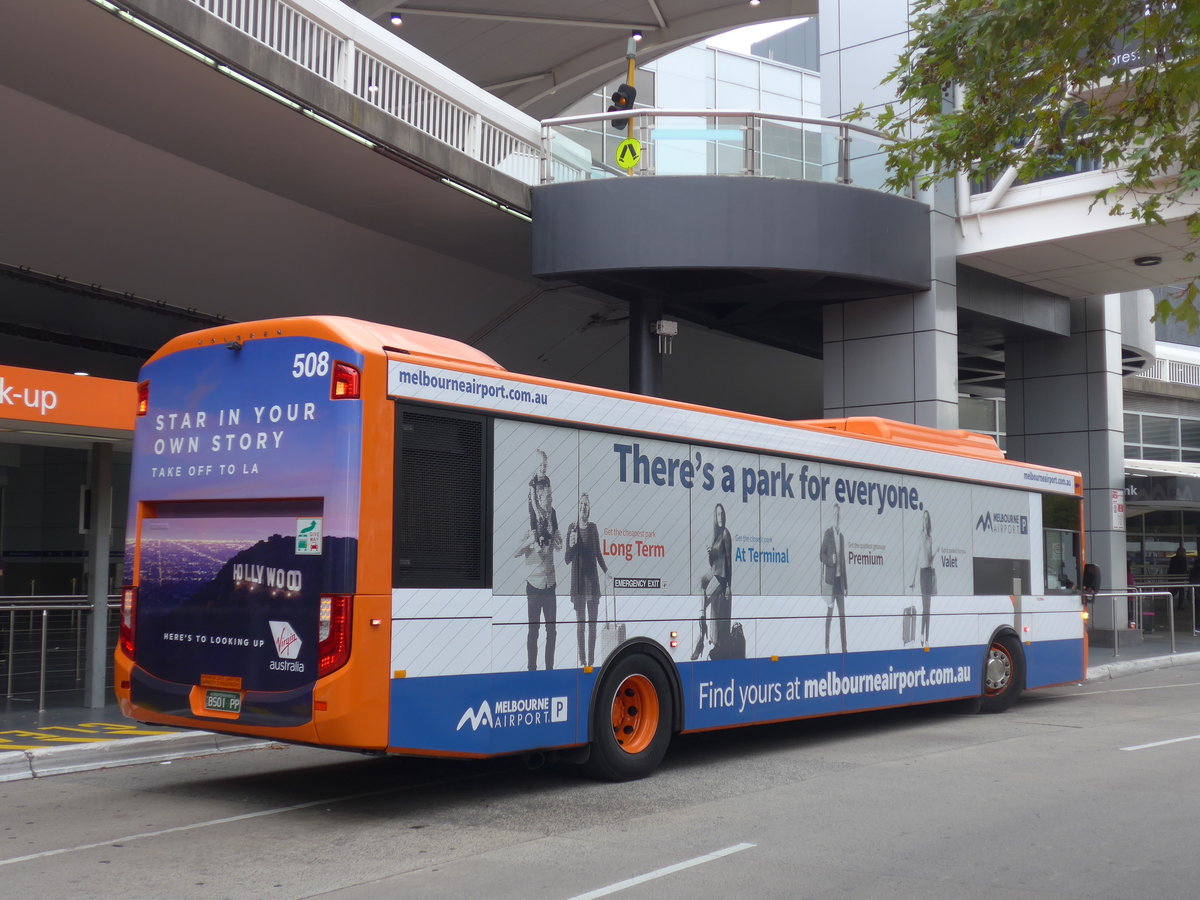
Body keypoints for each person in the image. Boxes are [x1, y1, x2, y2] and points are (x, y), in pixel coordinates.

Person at [513, 463, 560, 671]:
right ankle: (532, 669)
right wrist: (530, 542)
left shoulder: (552, 520)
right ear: (539, 499)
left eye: (551, 497)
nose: (550, 501)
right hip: (534, 587)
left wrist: (559, 540)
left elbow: (559, 545)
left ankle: (549, 669)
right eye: (547, 498)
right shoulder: (530, 524)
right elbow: (516, 552)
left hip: (550, 586)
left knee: (552, 631)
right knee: (534, 631)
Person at [564, 492, 608, 667]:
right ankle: (582, 660)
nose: (584, 507)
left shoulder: (593, 528)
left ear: (589, 509)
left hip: (592, 585)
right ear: (578, 507)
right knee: (581, 626)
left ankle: (591, 661)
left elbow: (598, 553)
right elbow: (567, 558)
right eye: (581, 504)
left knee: (592, 627)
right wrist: (573, 545)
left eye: (586, 505)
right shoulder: (571, 529)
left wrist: (606, 571)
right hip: (579, 586)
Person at [694, 504, 733, 659]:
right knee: (701, 583)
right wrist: (711, 554)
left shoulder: (725, 533)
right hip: (714, 571)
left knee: (704, 601)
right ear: (715, 518)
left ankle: (701, 638)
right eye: (718, 514)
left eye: (722, 514)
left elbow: (729, 560)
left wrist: (729, 586)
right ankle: (702, 632)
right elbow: (713, 563)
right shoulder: (716, 535)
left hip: (721, 576)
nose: (721, 517)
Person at [820, 504, 848, 654]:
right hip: (831, 583)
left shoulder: (841, 537)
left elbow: (843, 562)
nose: (837, 517)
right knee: (829, 617)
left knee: (843, 617)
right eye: (835, 514)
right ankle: (826, 647)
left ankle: (845, 649)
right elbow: (821, 555)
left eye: (839, 514)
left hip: (840, 583)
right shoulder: (828, 534)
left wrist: (846, 585)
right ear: (832, 516)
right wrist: (830, 560)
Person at [909, 509, 935, 647]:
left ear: (928, 521)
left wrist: (936, 553)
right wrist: (912, 579)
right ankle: (921, 634)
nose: (925, 521)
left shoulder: (930, 538)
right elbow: (916, 558)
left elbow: (930, 559)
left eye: (927, 519)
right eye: (923, 518)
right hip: (922, 573)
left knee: (928, 608)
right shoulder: (920, 536)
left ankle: (927, 638)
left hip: (929, 571)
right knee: (925, 607)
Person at [1169, 543, 1189, 610]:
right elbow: (1184, 569)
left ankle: (1169, 601)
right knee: (1181, 592)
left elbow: (1170, 568)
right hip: (1180, 577)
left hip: (1173, 577)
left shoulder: (1173, 559)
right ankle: (1180, 605)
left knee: (1174, 591)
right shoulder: (1183, 559)